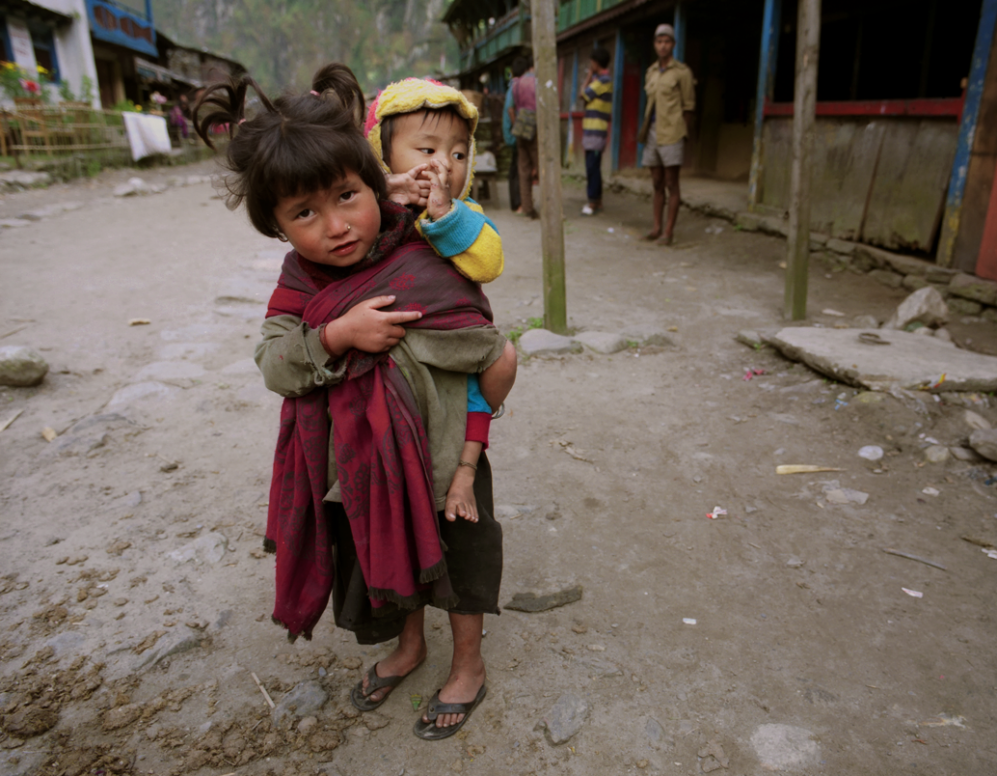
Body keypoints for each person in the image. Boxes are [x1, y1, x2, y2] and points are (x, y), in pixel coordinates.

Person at [192, 68, 514, 740]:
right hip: (362, 460)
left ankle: (467, 663)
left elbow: (481, 344)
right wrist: (338, 335)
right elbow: (276, 365)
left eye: (347, 196)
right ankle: (408, 646)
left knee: (460, 562)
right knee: (383, 554)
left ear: (374, 185)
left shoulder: (419, 237)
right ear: (276, 227)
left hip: (444, 449)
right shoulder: (298, 282)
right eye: (303, 213)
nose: (336, 227)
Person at [640, 23, 695, 246]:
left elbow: (688, 107)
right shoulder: (651, 72)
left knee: (672, 182)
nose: (663, 46)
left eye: (667, 42)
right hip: (652, 132)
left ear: (673, 45)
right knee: (656, 181)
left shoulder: (682, 73)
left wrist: (682, 133)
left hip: (672, 133)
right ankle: (656, 227)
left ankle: (668, 232)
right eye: (659, 42)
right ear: (655, 45)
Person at [578, 47, 613, 215]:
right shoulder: (601, 80)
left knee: (592, 167)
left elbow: (582, 94)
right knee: (593, 166)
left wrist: (588, 77)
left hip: (596, 131)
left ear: (596, 63)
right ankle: (596, 201)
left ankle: (593, 202)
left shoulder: (603, 80)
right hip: (592, 131)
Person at [508, 55, 539, 219]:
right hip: (535, 127)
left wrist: (515, 125)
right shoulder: (536, 81)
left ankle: (527, 207)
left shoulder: (515, 84)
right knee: (541, 167)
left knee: (523, 169)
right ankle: (551, 208)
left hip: (520, 127)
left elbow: (511, 108)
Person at [502, 59, 528, 213]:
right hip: (515, 133)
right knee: (518, 169)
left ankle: (517, 203)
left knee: (515, 168)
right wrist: (518, 130)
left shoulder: (512, 86)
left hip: (511, 133)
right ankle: (518, 203)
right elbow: (511, 110)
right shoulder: (517, 87)